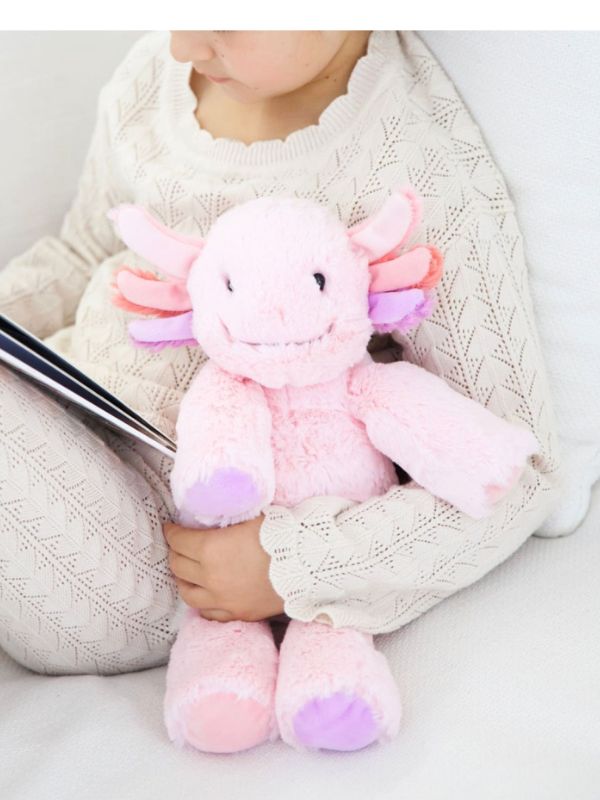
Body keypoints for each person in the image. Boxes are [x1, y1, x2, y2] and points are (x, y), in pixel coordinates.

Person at [0, 30, 561, 676]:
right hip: (61, 418)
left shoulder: (412, 165)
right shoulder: (151, 77)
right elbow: (81, 254)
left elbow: (519, 477)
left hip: (166, 558)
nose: (184, 45)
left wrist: (294, 563)